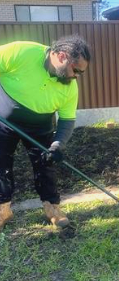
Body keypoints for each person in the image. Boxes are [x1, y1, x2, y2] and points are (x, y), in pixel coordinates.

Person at [0, 35, 90, 230]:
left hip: (40, 127)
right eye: (76, 70)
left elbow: (67, 120)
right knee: (1, 163)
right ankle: (3, 210)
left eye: (80, 73)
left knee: (45, 166)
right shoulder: (21, 52)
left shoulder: (70, 87)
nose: (76, 77)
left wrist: (57, 145)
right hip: (4, 122)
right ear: (61, 56)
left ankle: (52, 208)